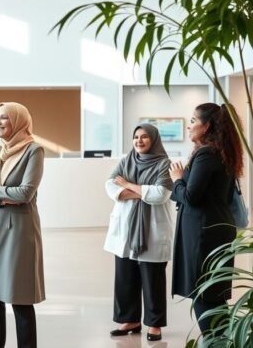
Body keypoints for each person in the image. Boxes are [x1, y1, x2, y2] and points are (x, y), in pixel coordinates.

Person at [0, 102, 45, 348]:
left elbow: (25, 193)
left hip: (19, 230)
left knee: (20, 295)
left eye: (5, 118)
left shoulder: (34, 150)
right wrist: (6, 196)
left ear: (19, 120)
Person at [169, 103, 243, 336]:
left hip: (204, 233)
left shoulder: (206, 154)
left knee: (204, 293)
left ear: (207, 126)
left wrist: (177, 179)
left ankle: (216, 341)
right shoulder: (221, 152)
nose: (189, 125)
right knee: (213, 294)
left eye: (193, 120)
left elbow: (191, 196)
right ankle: (221, 340)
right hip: (213, 229)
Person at [104, 124, 173, 342]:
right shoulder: (127, 160)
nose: (139, 141)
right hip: (125, 229)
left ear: (153, 139)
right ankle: (130, 319)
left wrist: (128, 185)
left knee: (152, 278)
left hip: (152, 228)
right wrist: (140, 190)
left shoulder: (164, 164)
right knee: (125, 276)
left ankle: (154, 324)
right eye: (136, 137)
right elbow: (110, 186)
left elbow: (161, 194)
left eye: (144, 137)